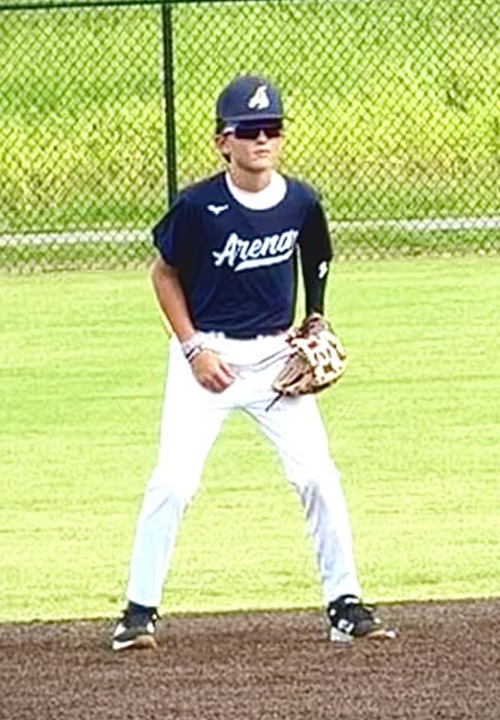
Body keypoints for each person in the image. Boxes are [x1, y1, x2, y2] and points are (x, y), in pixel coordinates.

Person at [112, 75, 394, 651]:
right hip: (206, 358)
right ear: (223, 141)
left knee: (317, 476)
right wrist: (193, 347)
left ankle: (345, 605)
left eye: (272, 128)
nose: (262, 139)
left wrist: (315, 318)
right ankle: (138, 612)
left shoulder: (300, 201)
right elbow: (162, 274)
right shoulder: (198, 206)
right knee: (174, 481)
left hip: (275, 363)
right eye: (249, 130)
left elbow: (317, 258)